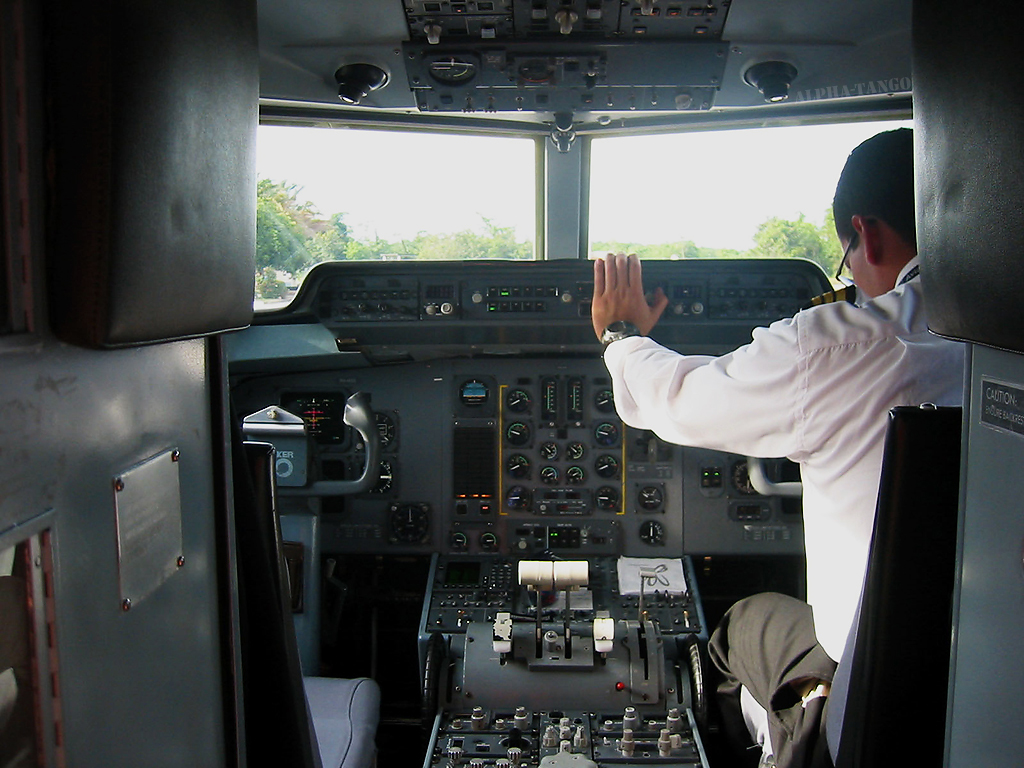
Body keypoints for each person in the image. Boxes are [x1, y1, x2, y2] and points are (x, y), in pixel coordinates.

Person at [590, 128, 965, 767]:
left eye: (848, 261)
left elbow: (679, 400)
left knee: (739, 627)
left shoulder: (840, 345)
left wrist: (621, 337)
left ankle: (798, 747)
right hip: (991, 684)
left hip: (876, 698)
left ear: (867, 234)